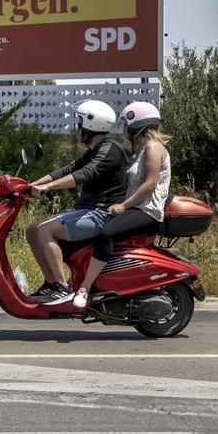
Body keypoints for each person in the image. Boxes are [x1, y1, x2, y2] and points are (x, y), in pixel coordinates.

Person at [24, 99, 128, 305]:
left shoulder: (110, 149)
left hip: (101, 214)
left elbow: (84, 174)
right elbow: (67, 169)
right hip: (88, 211)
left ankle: (62, 288)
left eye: (80, 123)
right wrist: (29, 186)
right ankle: (51, 283)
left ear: (91, 125)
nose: (77, 127)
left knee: (45, 231)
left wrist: (47, 188)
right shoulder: (95, 150)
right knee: (32, 229)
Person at [70, 102, 172, 309]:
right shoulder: (142, 149)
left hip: (146, 210)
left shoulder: (153, 147)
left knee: (105, 232)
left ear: (137, 124)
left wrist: (123, 206)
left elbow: (150, 183)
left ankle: (85, 288)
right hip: (137, 207)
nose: (125, 128)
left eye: (127, 123)